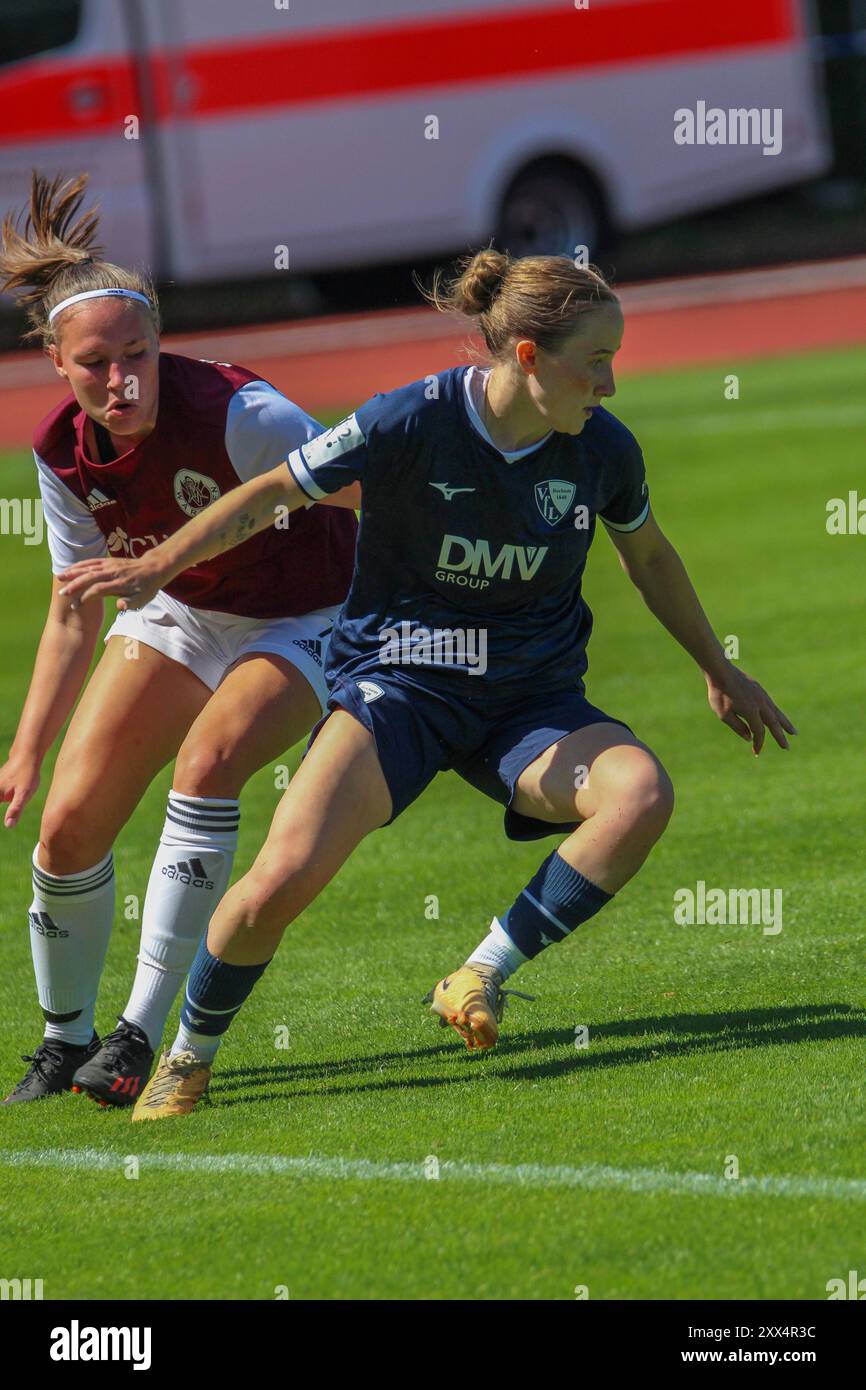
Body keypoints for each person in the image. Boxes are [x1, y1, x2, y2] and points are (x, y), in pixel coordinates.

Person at [57, 249, 795, 1121]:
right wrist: (159, 566)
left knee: (639, 795)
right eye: (596, 360)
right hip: (397, 691)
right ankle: (188, 1055)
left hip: (530, 704)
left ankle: (480, 971)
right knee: (275, 883)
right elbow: (269, 495)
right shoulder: (407, 420)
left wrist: (719, 667)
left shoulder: (603, 451)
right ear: (527, 355)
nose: (610, 383)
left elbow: (651, 559)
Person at [0, 172, 359, 1105]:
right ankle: (61, 1042)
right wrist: (27, 747)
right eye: (95, 365)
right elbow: (76, 603)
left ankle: (137, 1035)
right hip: (183, 613)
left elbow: (372, 490)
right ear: (56, 363)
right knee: (68, 824)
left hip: (307, 612)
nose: (120, 380)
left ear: (161, 344)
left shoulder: (244, 413)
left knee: (210, 763)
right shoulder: (60, 452)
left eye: (138, 355)